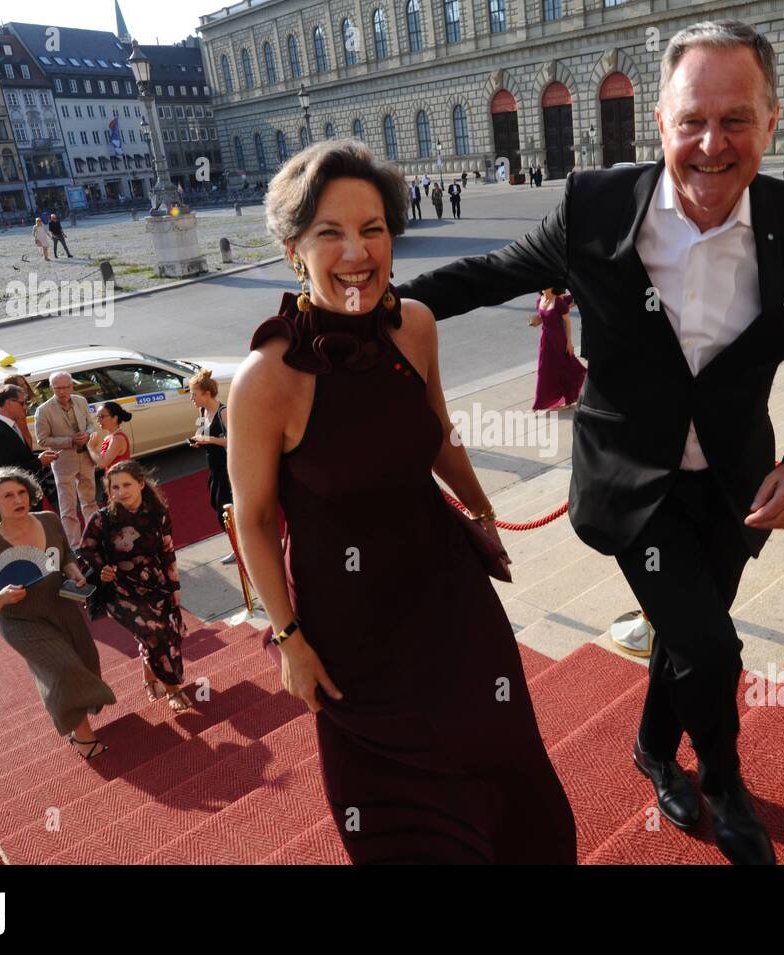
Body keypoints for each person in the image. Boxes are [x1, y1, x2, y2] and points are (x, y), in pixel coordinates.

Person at [399, 20, 784, 865]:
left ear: (773, 120)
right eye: (692, 120)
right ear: (660, 121)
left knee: (689, 633)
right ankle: (724, 783)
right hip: (630, 485)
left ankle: (654, 747)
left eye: (735, 120)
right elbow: (484, 275)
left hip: (734, 486)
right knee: (712, 646)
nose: (711, 145)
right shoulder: (596, 205)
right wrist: (361, 311)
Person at [230, 139, 576, 864]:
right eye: (330, 232)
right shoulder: (265, 380)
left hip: (448, 594)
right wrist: (289, 641)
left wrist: (481, 509)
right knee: (400, 822)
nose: (357, 252)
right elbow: (256, 520)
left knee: (506, 761)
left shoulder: (413, 324)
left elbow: (439, 433)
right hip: (350, 635)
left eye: (374, 228)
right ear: (294, 247)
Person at [0, 467, 115, 759]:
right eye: (8, 495)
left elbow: (66, 555)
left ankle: (76, 720)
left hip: (61, 606)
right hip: (20, 621)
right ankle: (83, 738)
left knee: (85, 662)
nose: (18, 499)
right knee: (64, 669)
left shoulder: (48, 521)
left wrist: (73, 571)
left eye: (22, 492)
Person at [78, 461, 191, 713]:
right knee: (155, 634)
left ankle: (150, 677)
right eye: (114, 487)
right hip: (119, 590)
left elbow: (168, 551)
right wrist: (102, 567)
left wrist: (175, 587)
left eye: (127, 484)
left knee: (169, 633)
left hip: (155, 584)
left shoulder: (157, 513)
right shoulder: (102, 519)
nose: (121, 491)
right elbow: (86, 549)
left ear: (141, 483)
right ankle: (173, 688)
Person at [35, 371, 99, 549]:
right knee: (68, 508)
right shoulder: (43, 411)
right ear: (51, 389)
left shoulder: (81, 401)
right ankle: (76, 546)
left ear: (72, 386)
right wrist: (70, 441)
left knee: (90, 501)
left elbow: (91, 423)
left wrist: (88, 433)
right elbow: (42, 440)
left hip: (86, 457)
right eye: (57, 388)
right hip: (64, 463)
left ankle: (94, 537)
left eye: (65, 387)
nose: (62, 392)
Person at [188, 368, 236, 565]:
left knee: (226, 509)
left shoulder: (223, 412)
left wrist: (210, 440)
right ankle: (237, 545)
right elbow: (200, 430)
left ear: (207, 393)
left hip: (227, 467)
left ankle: (239, 547)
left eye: (194, 394)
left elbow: (234, 441)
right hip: (213, 467)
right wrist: (197, 440)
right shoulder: (202, 411)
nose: (192, 398)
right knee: (216, 505)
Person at [0, 385, 60, 507]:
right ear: (9, 403)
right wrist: (39, 462)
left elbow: (20, 458)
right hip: (19, 497)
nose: (25, 407)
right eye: (22, 403)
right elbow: (7, 471)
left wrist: (38, 458)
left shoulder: (9, 426)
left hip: (27, 491)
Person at [531, 287, 586, 410]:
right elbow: (542, 318)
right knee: (543, 369)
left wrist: (569, 343)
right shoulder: (539, 301)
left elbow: (567, 322)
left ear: (552, 287)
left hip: (559, 339)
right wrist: (535, 322)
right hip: (545, 340)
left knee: (567, 367)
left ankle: (581, 388)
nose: (543, 288)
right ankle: (539, 403)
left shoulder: (559, 302)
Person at [87, 400, 132, 505]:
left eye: (102, 417)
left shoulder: (117, 439)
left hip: (120, 483)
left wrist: (90, 448)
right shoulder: (110, 437)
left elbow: (103, 463)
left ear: (114, 418)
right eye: (97, 417)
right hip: (113, 482)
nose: (98, 420)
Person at [0, 374, 37, 448]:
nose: (26, 387)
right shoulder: (17, 411)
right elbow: (26, 435)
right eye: (21, 385)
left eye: (25, 383)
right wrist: (30, 455)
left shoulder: (1, 408)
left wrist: (3, 392)